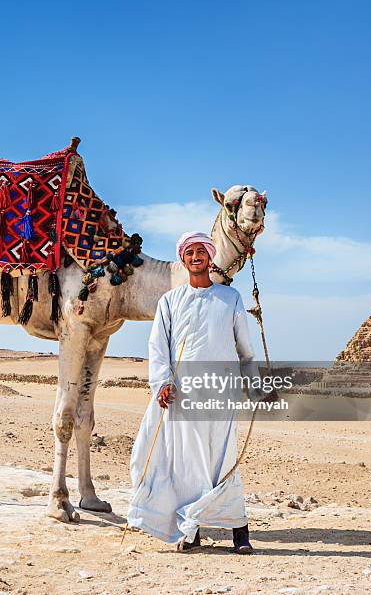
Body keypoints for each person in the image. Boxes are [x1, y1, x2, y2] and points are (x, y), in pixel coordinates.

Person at [126, 230, 269, 553]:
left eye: (200, 252)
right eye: (189, 253)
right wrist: (161, 383)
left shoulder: (229, 298)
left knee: (223, 460)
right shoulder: (170, 302)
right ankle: (190, 531)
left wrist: (254, 383)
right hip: (183, 395)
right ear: (183, 258)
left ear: (209, 256)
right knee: (188, 465)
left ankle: (239, 532)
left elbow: (244, 349)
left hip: (220, 391)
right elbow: (158, 348)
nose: (195, 258)